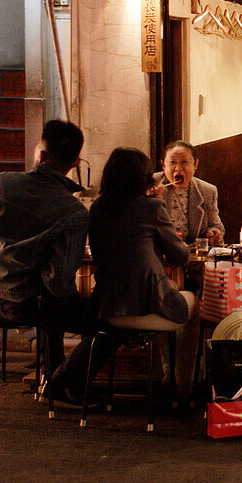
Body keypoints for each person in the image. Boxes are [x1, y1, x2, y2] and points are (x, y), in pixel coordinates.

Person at [46, 147, 198, 403]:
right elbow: (180, 256)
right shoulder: (152, 207)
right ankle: (182, 386)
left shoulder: (97, 208)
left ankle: (61, 382)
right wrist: (155, 207)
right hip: (145, 307)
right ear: (143, 178)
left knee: (116, 327)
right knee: (193, 304)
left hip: (107, 306)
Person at [0, 119, 90, 388]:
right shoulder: (73, 211)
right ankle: (60, 384)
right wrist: (78, 301)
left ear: (40, 155)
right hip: (35, 304)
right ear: (76, 162)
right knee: (104, 321)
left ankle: (47, 376)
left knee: (51, 304)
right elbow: (57, 280)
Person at [153, 140, 225, 247]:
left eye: (184, 162)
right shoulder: (151, 184)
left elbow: (216, 226)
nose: (178, 168)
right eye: (172, 162)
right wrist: (150, 200)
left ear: (195, 164)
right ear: (164, 165)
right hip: (160, 251)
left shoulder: (207, 191)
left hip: (192, 252)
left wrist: (214, 233)